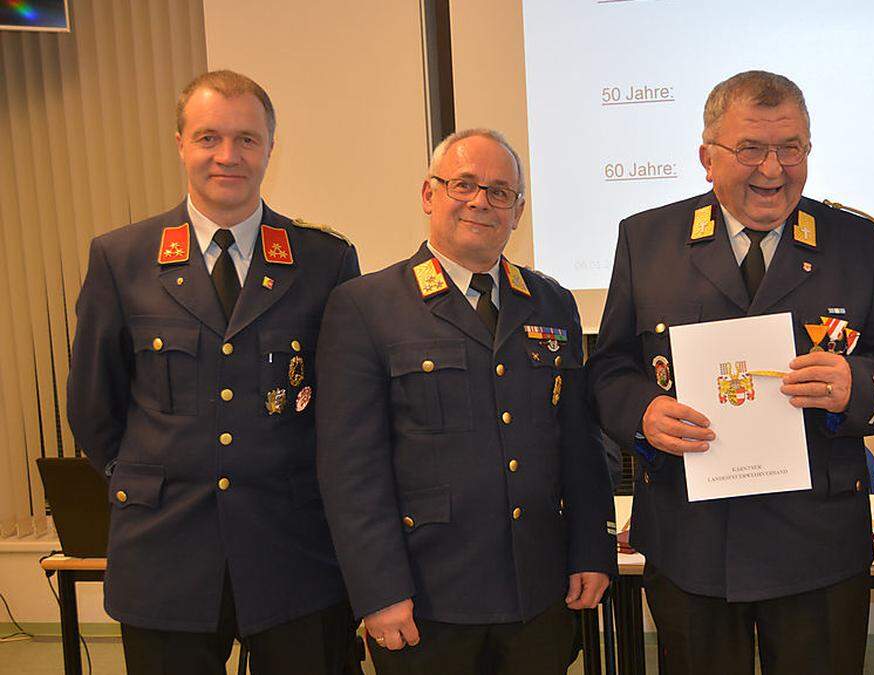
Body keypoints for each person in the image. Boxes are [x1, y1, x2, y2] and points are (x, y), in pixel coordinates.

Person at [588, 70, 874, 674]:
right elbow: (609, 366)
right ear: (707, 158)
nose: (773, 168)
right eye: (750, 149)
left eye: (790, 148)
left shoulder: (859, 242)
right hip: (691, 544)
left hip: (816, 548)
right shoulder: (648, 240)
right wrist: (641, 411)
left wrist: (855, 388)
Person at [65, 70, 361, 674]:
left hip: (294, 552)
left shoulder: (324, 260)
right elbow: (94, 407)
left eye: (247, 140)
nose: (228, 156)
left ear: (270, 148)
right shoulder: (121, 258)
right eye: (208, 138)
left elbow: (345, 407)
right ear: (180, 143)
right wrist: (148, 481)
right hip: (164, 549)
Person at [315, 128, 616, 674]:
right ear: (429, 195)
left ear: (518, 211)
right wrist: (379, 590)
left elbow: (579, 440)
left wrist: (592, 549)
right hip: (428, 601)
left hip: (538, 593)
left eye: (500, 192)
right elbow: (350, 470)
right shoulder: (366, 306)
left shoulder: (551, 301)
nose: (481, 201)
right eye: (463, 185)